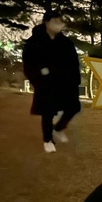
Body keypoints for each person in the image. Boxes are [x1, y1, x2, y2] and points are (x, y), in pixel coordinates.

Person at [22, 10, 81, 153]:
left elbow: (74, 63)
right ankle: (47, 139)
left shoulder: (66, 43)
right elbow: (29, 63)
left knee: (73, 107)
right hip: (45, 83)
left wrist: (75, 81)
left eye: (61, 22)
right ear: (46, 22)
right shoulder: (34, 42)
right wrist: (38, 76)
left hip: (65, 82)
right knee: (47, 112)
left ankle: (59, 128)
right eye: (55, 22)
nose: (59, 25)